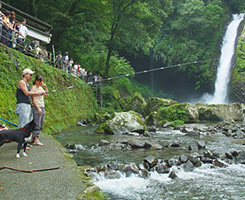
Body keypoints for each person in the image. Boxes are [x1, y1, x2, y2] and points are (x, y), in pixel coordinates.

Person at [31, 75, 48, 146]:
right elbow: (33, 99)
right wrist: (38, 108)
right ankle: (36, 139)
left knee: (41, 122)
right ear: (37, 81)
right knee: (37, 122)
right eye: (41, 81)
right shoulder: (33, 88)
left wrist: (45, 87)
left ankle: (34, 138)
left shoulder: (40, 88)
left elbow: (46, 95)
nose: (42, 82)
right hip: (37, 107)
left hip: (42, 106)